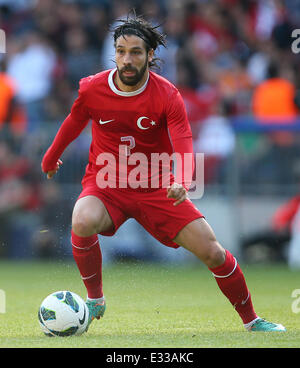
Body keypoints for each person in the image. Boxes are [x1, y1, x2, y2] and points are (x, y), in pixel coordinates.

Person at [41, 13, 285, 333]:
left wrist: (182, 180)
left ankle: (252, 321)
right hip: (106, 184)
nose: (127, 60)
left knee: (213, 252)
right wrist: (50, 157)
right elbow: (74, 121)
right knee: (82, 219)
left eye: (136, 52)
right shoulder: (92, 88)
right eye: (121, 51)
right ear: (114, 52)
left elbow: (183, 140)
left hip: (157, 187)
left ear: (150, 55)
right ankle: (95, 298)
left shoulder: (167, 94)